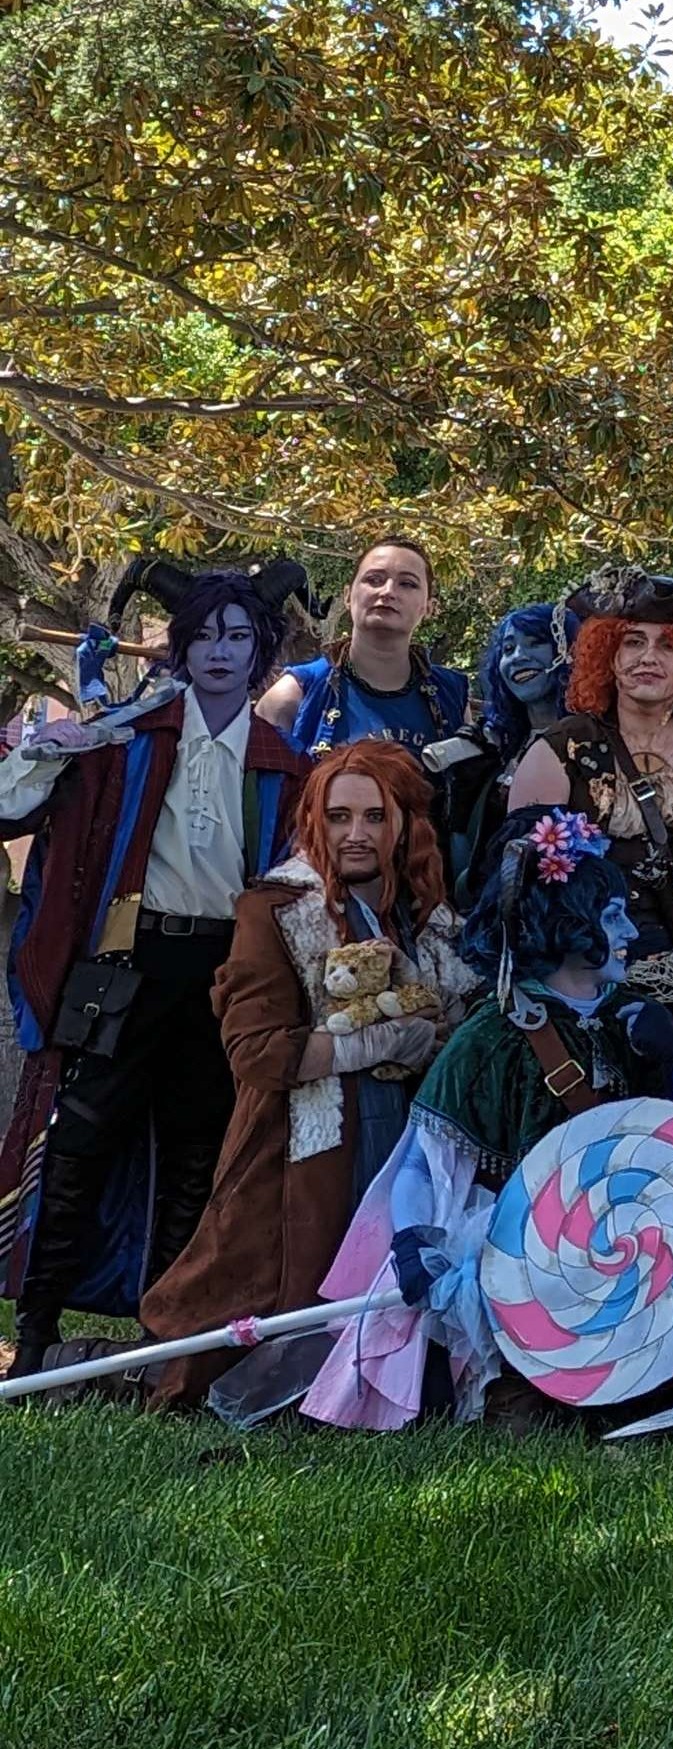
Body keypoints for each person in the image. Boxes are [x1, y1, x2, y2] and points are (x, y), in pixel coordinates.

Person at [0, 563, 308, 1376]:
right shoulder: (130, 734)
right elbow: (18, 809)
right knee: (83, 1137)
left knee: (195, 1146)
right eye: (202, 635)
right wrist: (51, 746)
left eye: (236, 636)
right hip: (128, 960)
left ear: (260, 651)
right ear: (179, 645)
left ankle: (163, 1337)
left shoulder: (283, 759)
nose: (218, 651)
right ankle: (33, 1334)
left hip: (221, 970)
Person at [306, 809, 673, 1430]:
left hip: (630, 1263)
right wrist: (412, 1245)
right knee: (524, 1417)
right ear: (569, 929)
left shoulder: (638, 1019)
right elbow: (422, 1160)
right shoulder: (491, 1037)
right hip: (519, 1268)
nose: (630, 930)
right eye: (611, 917)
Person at [138, 740, 482, 1411]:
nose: (356, 834)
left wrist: (431, 1041)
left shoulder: (427, 921)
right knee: (247, 1307)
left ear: (403, 824)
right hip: (301, 1149)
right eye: (339, 816)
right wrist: (374, 1041)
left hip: (412, 1146)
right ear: (314, 823)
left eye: (374, 817)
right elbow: (256, 1053)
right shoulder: (275, 909)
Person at [507, 564, 673, 1099]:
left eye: (670, 645)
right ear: (607, 656)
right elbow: (517, 894)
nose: (649, 657)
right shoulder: (558, 752)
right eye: (633, 642)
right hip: (576, 996)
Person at [259, 539, 475, 814]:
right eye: (374, 579)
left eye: (407, 584)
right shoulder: (296, 692)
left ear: (429, 607)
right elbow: (259, 806)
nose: (387, 592)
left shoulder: (452, 694)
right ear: (348, 595)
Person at [457, 602, 577, 887]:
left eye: (536, 643)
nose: (519, 657)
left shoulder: (594, 743)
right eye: (508, 649)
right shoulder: (497, 748)